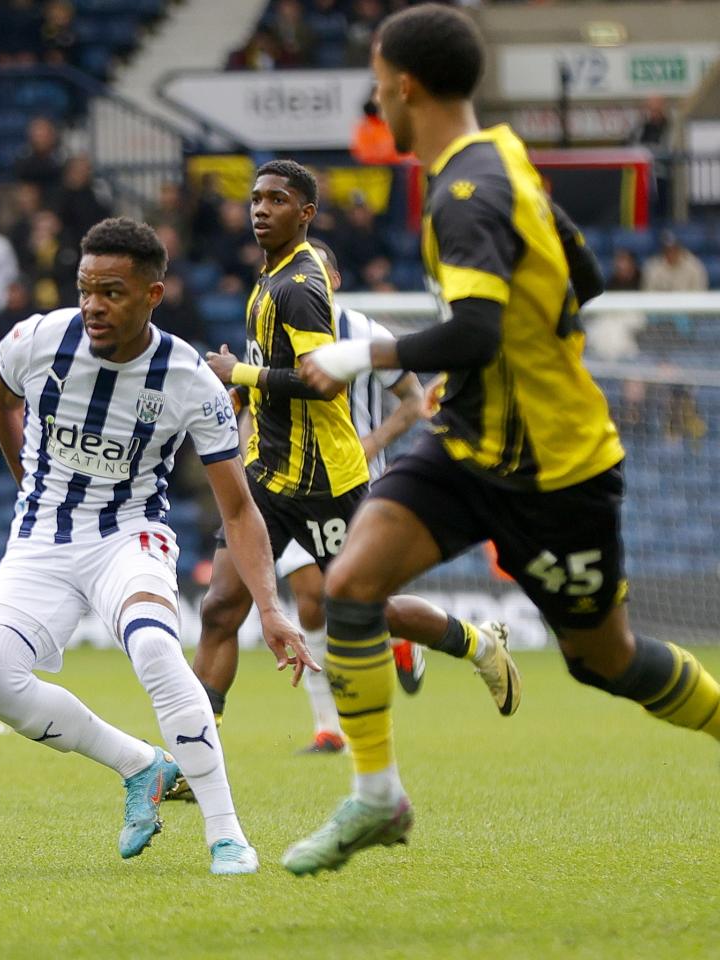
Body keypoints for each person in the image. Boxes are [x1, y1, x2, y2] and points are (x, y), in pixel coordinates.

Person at [285, 3, 720, 876]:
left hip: (556, 470)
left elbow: (478, 329)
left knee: (608, 662)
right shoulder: (505, 160)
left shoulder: (463, 192)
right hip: (469, 439)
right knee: (352, 586)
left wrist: (364, 352)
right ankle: (378, 799)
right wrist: (504, 363)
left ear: (405, 84)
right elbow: (583, 277)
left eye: (377, 85)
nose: (377, 102)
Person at [0, 217, 314, 876]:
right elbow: (0, 393)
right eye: (86, 288)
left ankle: (226, 835)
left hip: (129, 535)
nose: (94, 305)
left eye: (113, 292)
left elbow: (238, 507)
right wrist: (26, 482)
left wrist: (268, 607)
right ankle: (141, 766)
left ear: (153, 295)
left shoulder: (188, 379)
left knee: (155, 644)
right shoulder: (36, 339)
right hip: (41, 536)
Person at [192, 163, 517, 765]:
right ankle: (194, 757)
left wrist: (236, 373)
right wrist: (246, 392)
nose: (260, 209)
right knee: (220, 610)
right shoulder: (270, 280)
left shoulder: (298, 288)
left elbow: (322, 386)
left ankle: (474, 642)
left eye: (277, 200)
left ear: (306, 214)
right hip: (268, 477)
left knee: (358, 606)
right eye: (256, 198)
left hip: (326, 482)